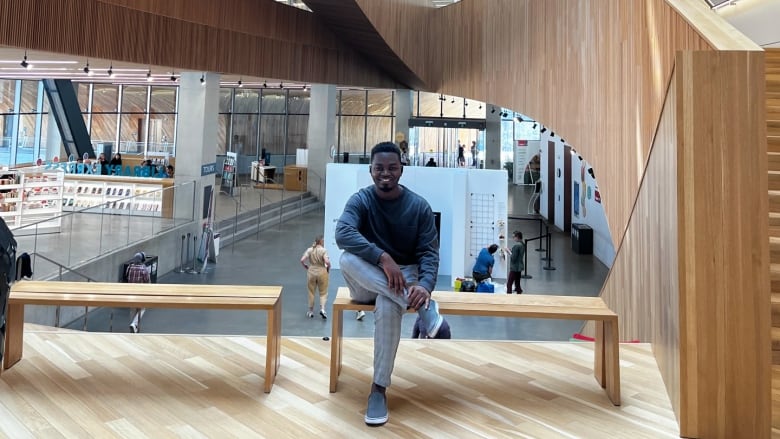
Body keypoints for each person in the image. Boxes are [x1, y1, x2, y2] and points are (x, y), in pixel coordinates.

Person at [336, 141, 443, 426]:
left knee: (386, 302)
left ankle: (378, 390)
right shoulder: (361, 200)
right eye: (379, 168)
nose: (386, 173)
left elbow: (429, 253)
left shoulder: (419, 206)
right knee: (346, 259)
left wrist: (426, 286)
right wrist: (382, 257)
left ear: (401, 170)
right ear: (371, 170)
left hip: (396, 285)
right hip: (365, 283)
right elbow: (343, 232)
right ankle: (424, 310)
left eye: (392, 168)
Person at [300, 235, 331, 319]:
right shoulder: (324, 250)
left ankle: (310, 311)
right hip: (322, 272)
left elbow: (302, 260)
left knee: (311, 292)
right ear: (321, 241)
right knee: (323, 292)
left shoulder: (310, 250)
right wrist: (328, 267)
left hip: (311, 272)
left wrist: (305, 266)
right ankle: (322, 309)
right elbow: (327, 262)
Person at [125, 252, 150, 333]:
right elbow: (147, 282)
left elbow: (126, 277)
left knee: (132, 309)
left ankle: (133, 327)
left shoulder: (129, 267)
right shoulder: (144, 269)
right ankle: (134, 324)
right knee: (142, 308)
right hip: (140, 293)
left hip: (130, 292)